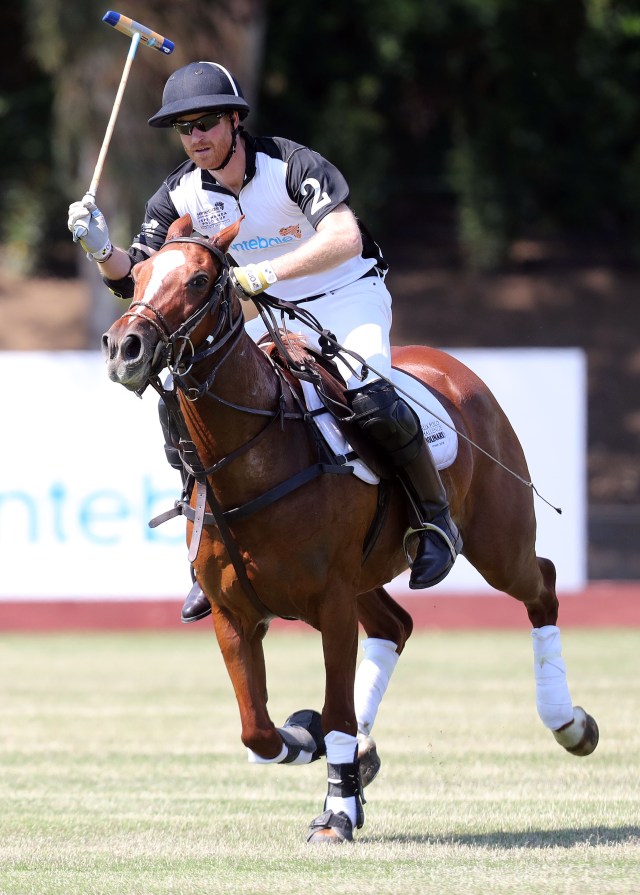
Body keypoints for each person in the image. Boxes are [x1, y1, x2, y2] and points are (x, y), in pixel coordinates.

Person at [68, 61, 462, 623]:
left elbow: (345, 236)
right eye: (184, 128)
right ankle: (207, 556)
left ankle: (433, 520)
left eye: (206, 122)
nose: (196, 137)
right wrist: (100, 248)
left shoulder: (290, 164)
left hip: (346, 295)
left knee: (370, 395)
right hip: (271, 315)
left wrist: (269, 272)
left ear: (234, 120)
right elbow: (138, 276)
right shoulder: (178, 195)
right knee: (183, 407)